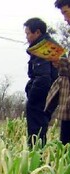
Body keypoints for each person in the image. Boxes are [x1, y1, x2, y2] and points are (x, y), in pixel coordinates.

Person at [24, 18, 58, 147]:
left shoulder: (44, 48)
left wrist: (32, 97)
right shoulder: (50, 45)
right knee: (41, 128)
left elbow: (43, 78)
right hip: (52, 93)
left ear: (37, 32)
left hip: (43, 95)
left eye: (28, 33)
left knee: (36, 130)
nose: (27, 37)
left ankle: (35, 157)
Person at [44, 0, 70, 145]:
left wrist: (63, 63)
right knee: (64, 145)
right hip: (67, 101)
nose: (65, 19)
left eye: (65, 13)